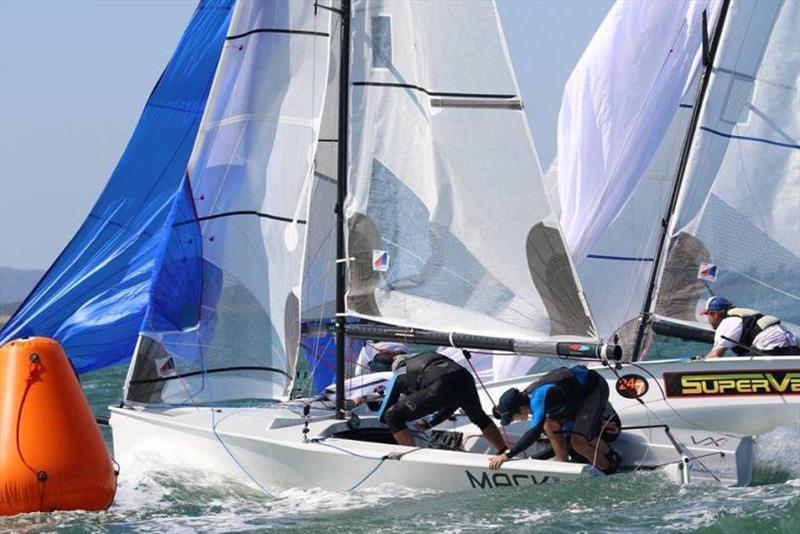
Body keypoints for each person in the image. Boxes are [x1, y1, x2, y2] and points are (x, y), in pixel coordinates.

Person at [488, 365, 618, 473]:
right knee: (549, 427)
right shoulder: (527, 397)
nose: (514, 420)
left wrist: (507, 455)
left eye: (513, 417)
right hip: (575, 399)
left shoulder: (538, 398)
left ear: (521, 409)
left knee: (578, 442)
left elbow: (534, 433)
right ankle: (565, 469)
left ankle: (609, 469)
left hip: (594, 388)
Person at [378, 351, 507, 452]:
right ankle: (503, 451)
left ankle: (412, 455)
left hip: (440, 383)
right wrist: (431, 423)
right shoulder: (427, 356)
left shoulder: (399, 374)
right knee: (480, 418)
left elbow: (384, 415)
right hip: (464, 376)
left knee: (392, 416)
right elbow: (454, 400)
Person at [699, 296, 800, 358]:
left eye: (708, 315)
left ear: (714, 314)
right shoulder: (745, 316)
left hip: (772, 348)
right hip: (793, 344)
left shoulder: (727, 322)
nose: (708, 320)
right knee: (743, 357)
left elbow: (715, 355)